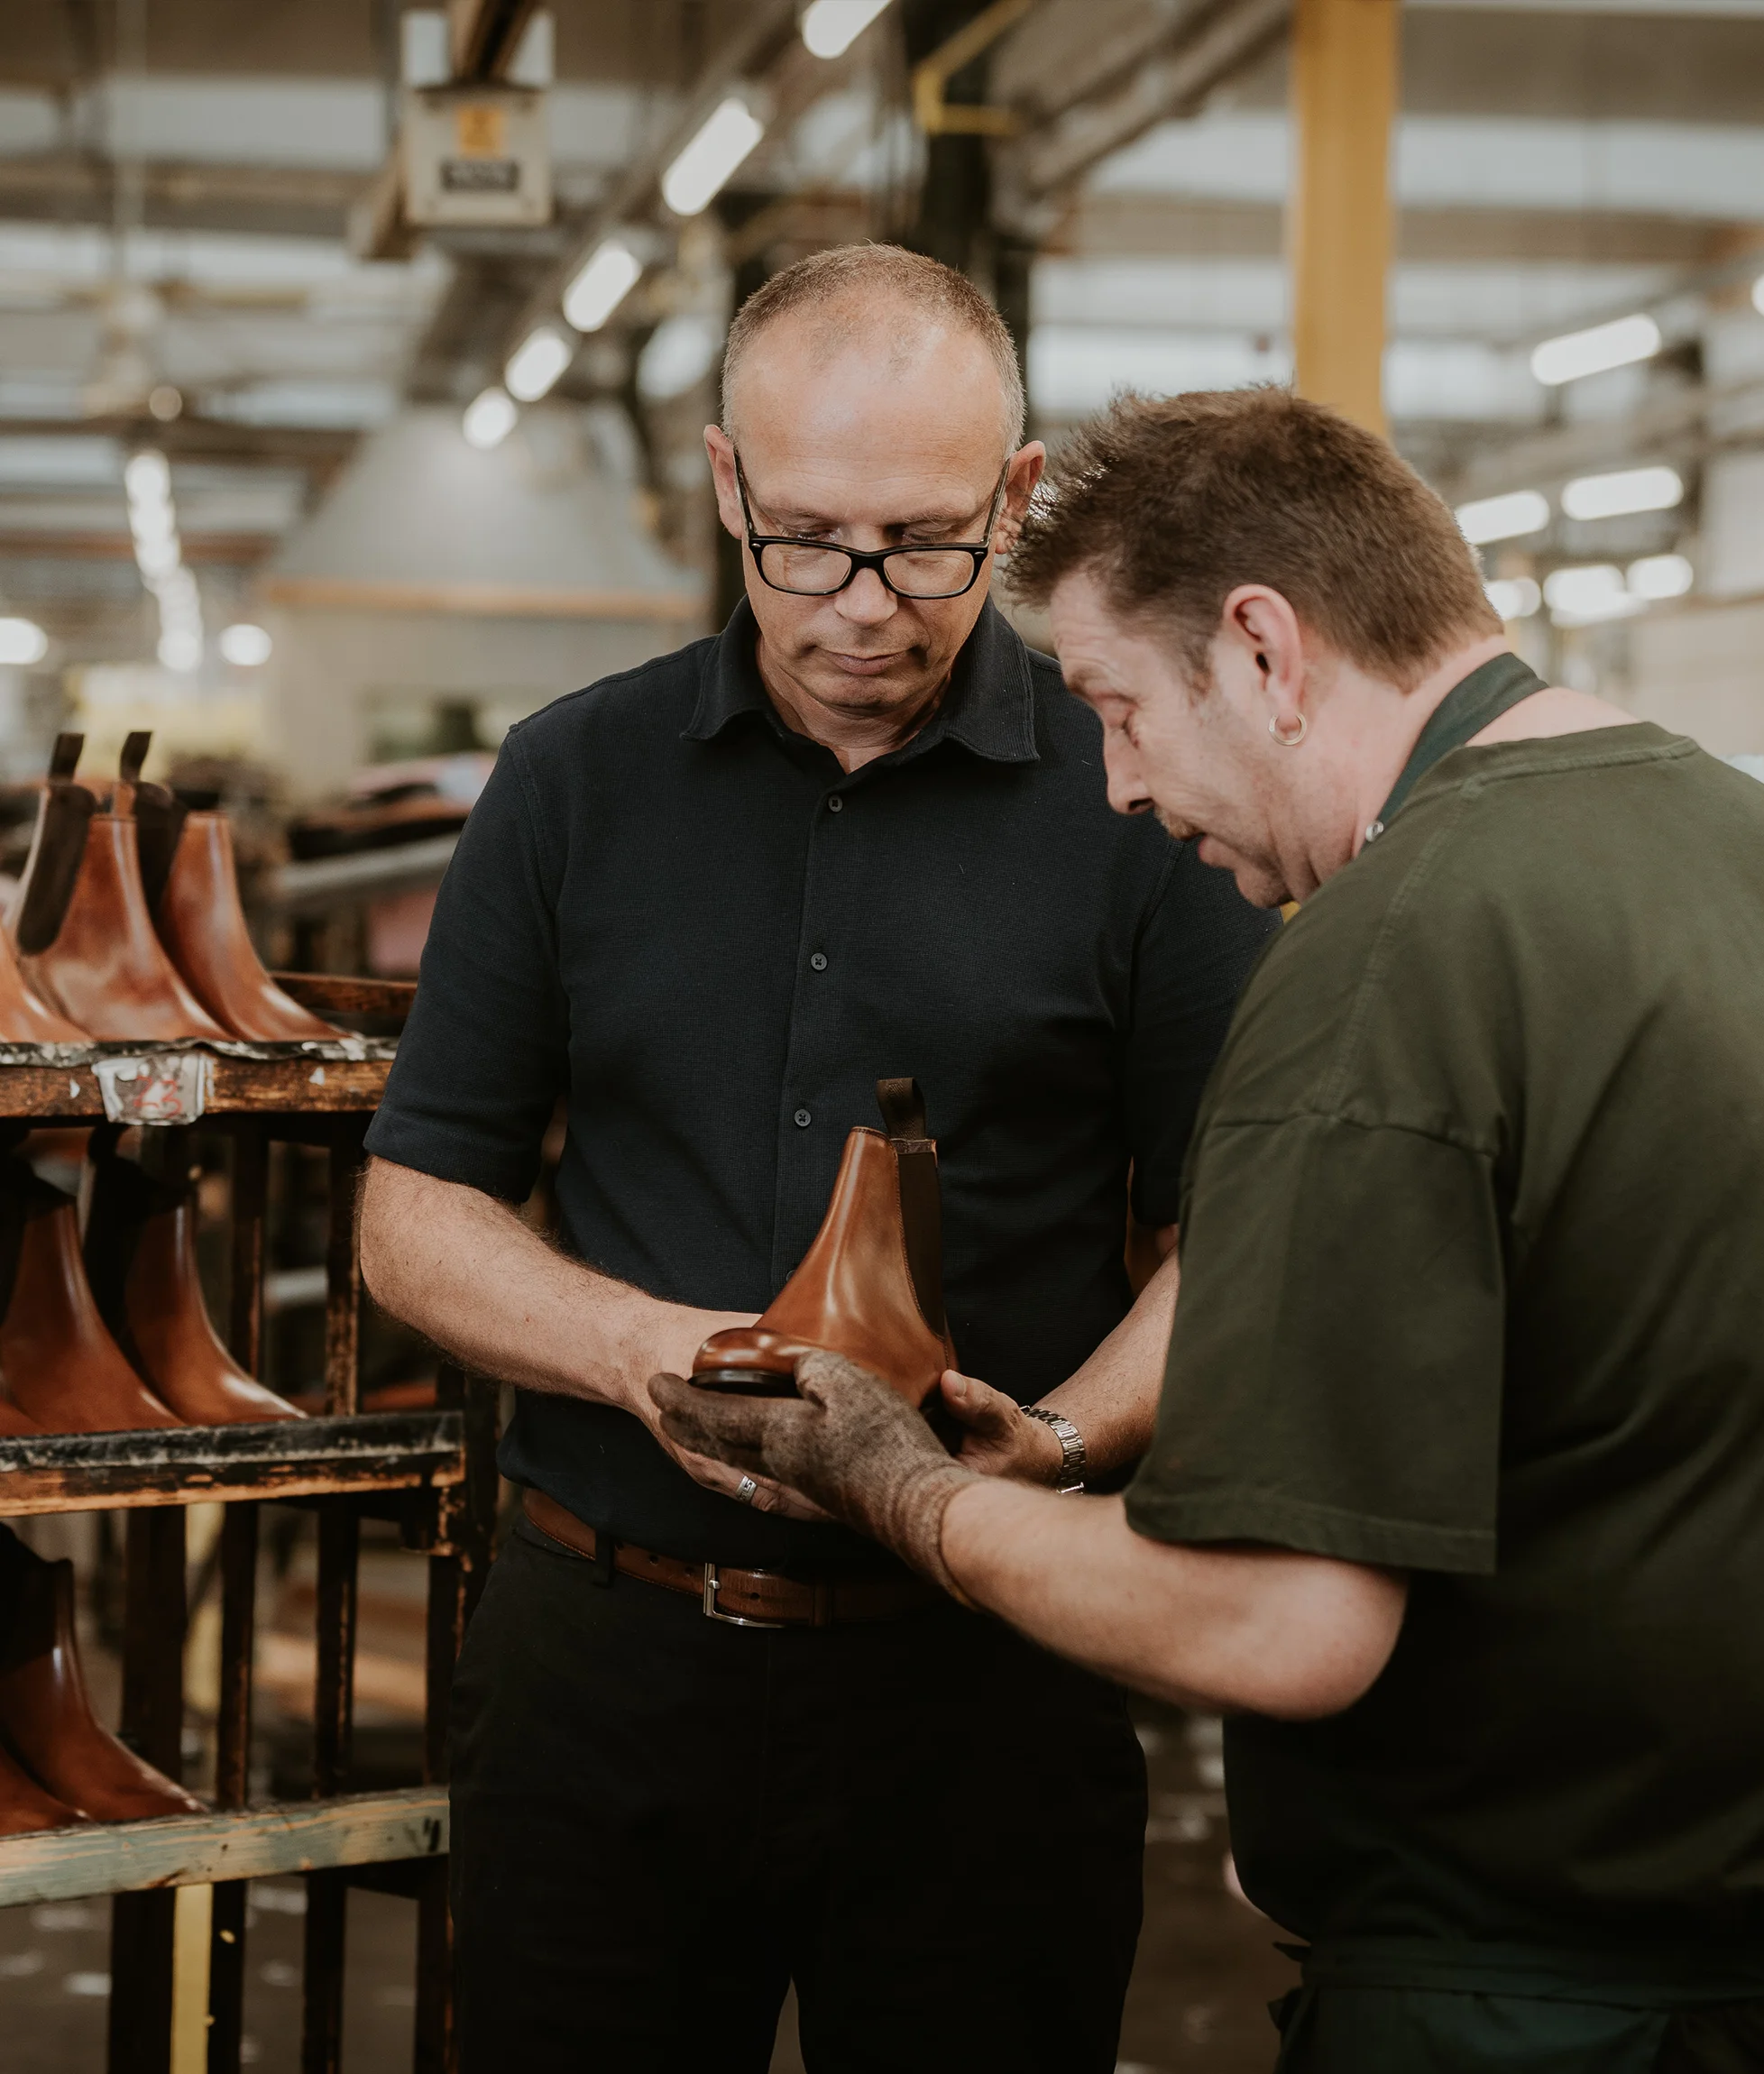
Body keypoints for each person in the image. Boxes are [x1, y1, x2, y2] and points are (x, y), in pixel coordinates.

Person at [655, 387, 1764, 2073]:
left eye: (1118, 705)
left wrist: (898, 1485)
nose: (1114, 785)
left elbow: (1281, 1622)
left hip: (1526, 1999)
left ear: (1263, 648)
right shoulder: (1753, 847)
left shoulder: (1381, 962)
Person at [358, 249, 1275, 2073]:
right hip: (605, 1673)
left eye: (927, 543)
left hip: (983, 1677)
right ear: (724, 485)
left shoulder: (1140, 812)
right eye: (806, 538)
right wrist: (651, 1355)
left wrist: (1064, 1440)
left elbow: (1234, 1238)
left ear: (1016, 504)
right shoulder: (569, 782)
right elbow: (415, 1206)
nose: (861, 600)